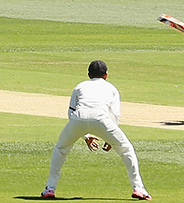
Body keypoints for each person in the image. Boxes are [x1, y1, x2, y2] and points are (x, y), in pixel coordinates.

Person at [40, 59, 150, 201]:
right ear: (106, 75)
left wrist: (85, 136)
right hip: (102, 120)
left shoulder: (80, 86)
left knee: (60, 149)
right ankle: (139, 188)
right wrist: (111, 138)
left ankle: (50, 188)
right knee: (126, 150)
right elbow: (115, 114)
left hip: (78, 119)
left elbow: (71, 112)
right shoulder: (111, 88)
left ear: (89, 74)